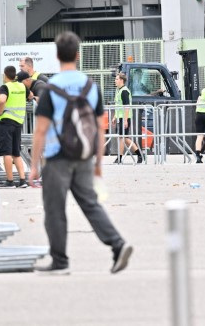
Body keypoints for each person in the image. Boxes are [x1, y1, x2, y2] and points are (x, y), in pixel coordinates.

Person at [30, 31, 133, 275]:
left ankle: (60, 261)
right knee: (90, 203)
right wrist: (98, 160)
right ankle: (117, 244)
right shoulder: (91, 86)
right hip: (84, 156)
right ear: (78, 55)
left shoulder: (51, 88)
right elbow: (99, 127)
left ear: (57, 56)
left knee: (54, 209)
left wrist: (34, 165)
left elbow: (40, 131)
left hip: (57, 158)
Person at [0, 66, 28, 189]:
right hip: (18, 122)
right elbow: (30, 96)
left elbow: (2, 100)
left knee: (6, 153)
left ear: (5, 75)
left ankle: (10, 181)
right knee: (16, 152)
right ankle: (22, 180)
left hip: (6, 122)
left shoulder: (5, 87)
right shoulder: (22, 86)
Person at [112, 73, 143, 164]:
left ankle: (120, 158)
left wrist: (125, 120)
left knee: (122, 138)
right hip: (120, 117)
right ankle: (139, 155)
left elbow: (126, 107)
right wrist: (115, 116)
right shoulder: (118, 90)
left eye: (117, 79)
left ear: (121, 80)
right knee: (124, 138)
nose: (115, 81)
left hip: (124, 118)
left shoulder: (124, 91)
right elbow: (118, 105)